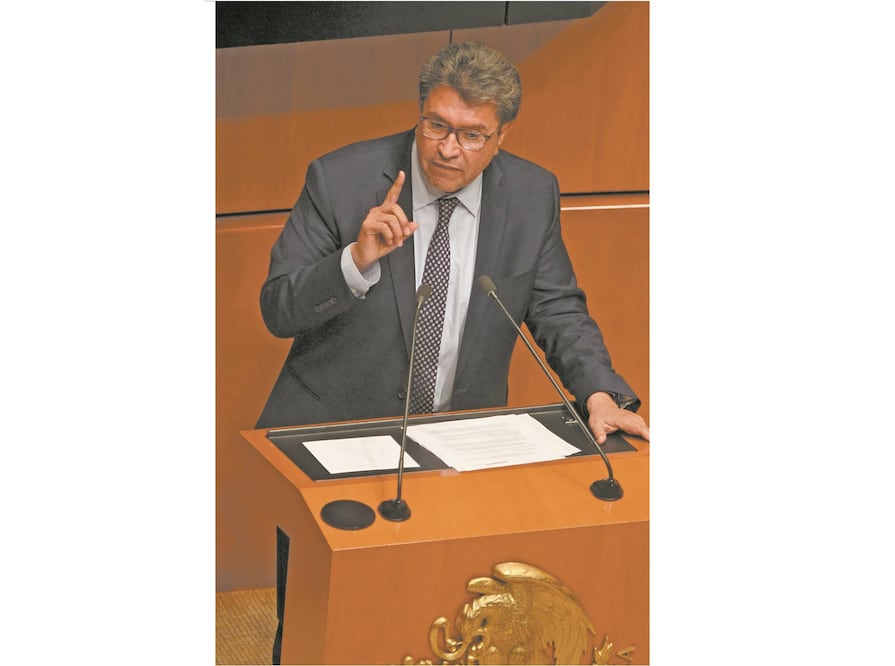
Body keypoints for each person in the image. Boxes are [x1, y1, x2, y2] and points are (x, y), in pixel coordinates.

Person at [256, 41, 649, 445]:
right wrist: (354, 262)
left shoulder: (530, 195)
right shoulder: (341, 181)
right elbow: (278, 311)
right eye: (437, 126)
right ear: (420, 111)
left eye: (472, 135)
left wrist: (598, 395)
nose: (447, 149)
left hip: (462, 439)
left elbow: (558, 310)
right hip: (335, 433)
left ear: (502, 135)